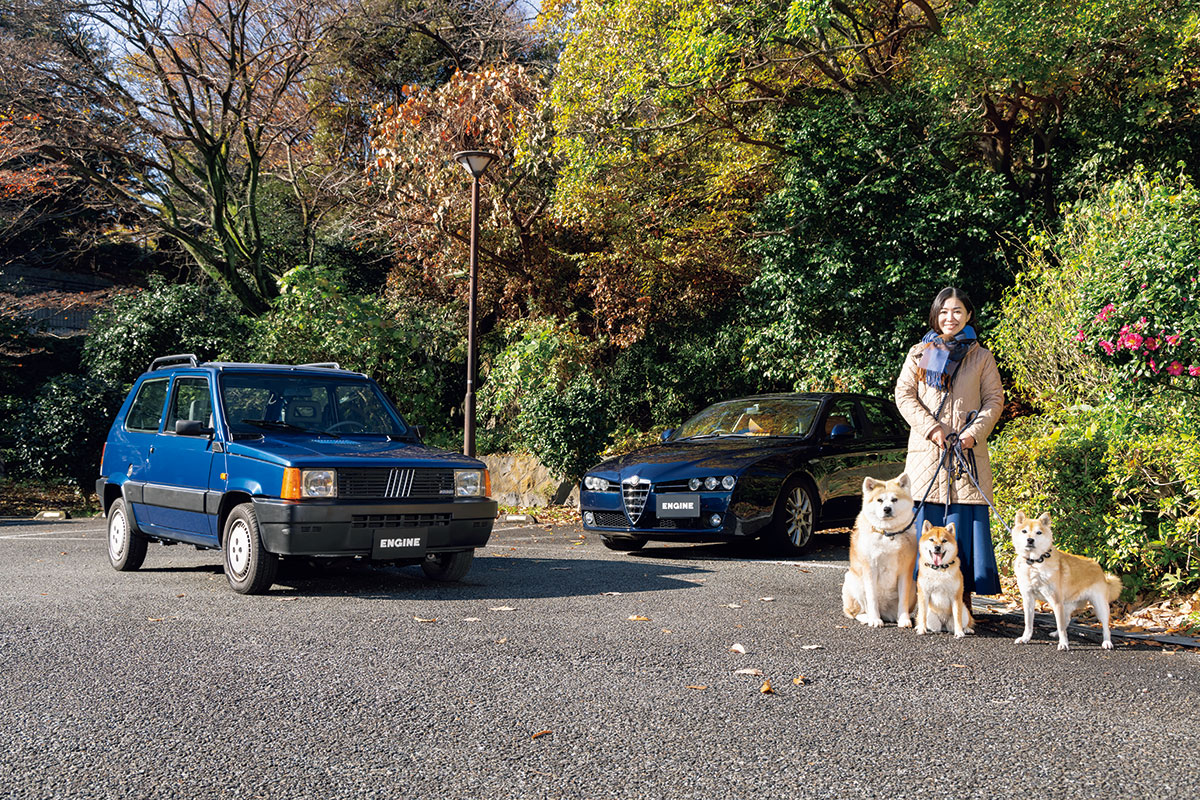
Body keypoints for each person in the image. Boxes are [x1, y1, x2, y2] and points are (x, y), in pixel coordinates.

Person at [894, 287, 1004, 608]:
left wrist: (973, 433)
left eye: (957, 311)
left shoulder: (981, 357)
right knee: (923, 535)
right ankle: (918, 606)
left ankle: (963, 603)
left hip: (965, 456)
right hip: (927, 456)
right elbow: (904, 395)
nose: (949, 318)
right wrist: (932, 428)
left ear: (968, 315)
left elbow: (994, 400)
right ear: (935, 315)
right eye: (943, 311)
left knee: (963, 531)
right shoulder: (918, 353)